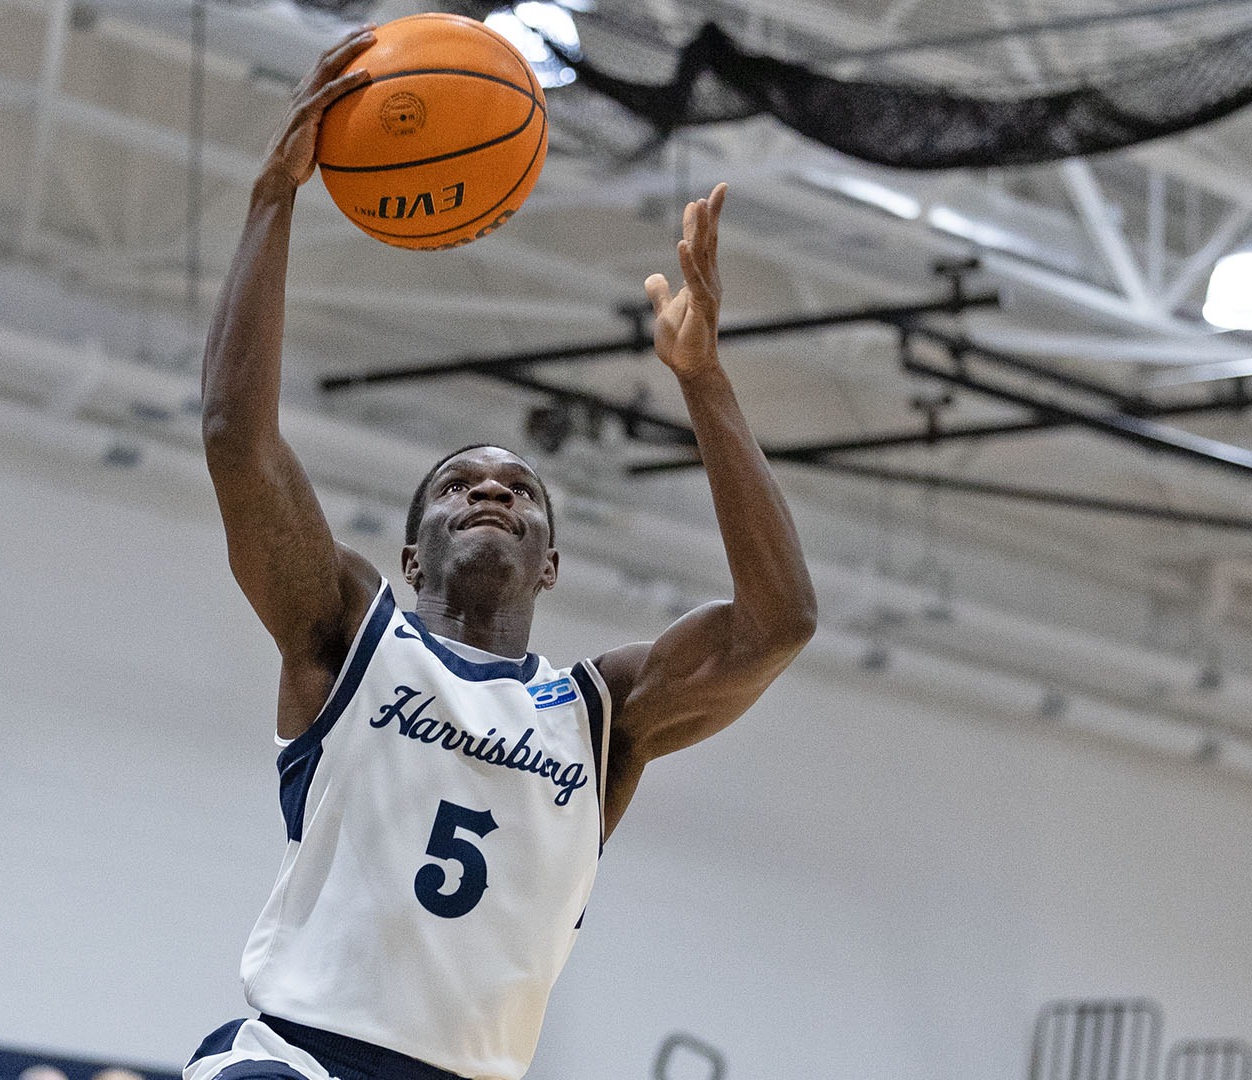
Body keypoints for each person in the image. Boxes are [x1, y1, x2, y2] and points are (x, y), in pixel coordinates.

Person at [183, 25, 817, 1080]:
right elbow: (233, 442)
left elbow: (779, 624)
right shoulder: (347, 630)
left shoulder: (603, 716)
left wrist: (704, 383)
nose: (490, 490)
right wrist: (272, 201)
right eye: (457, 485)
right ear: (413, 555)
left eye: (520, 489)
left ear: (551, 563)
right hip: (296, 1060)